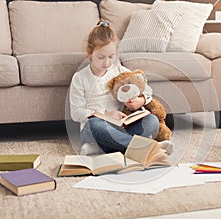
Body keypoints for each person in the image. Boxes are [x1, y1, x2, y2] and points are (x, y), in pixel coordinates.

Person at [69, 21, 173, 155]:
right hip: (96, 127)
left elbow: (146, 89)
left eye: (111, 57)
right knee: (94, 124)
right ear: (89, 53)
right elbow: (76, 113)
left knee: (151, 121)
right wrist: (105, 114)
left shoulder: (118, 70)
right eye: (101, 57)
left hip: (122, 127)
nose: (106, 62)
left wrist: (140, 100)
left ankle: (100, 148)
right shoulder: (80, 78)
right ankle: (146, 149)